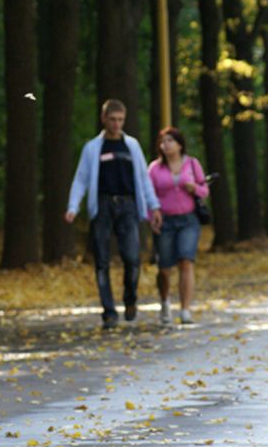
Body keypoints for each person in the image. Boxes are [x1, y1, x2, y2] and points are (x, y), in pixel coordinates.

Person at [65, 99, 162, 329]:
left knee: (132, 257)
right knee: (102, 260)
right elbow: (81, 179)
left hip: (128, 206)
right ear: (104, 119)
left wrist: (154, 205)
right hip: (103, 205)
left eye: (120, 120)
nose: (117, 124)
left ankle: (130, 299)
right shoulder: (92, 148)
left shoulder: (132, 146)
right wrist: (73, 206)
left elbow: (143, 178)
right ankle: (108, 311)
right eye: (113, 119)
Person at [148, 127, 209, 325]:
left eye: (169, 141)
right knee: (164, 268)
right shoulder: (154, 169)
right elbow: (148, 196)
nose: (165, 145)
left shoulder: (192, 164)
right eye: (162, 141)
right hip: (164, 220)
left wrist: (195, 188)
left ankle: (185, 309)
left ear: (179, 144)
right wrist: (152, 217)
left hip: (188, 220)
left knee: (186, 261)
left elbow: (204, 190)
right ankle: (165, 301)